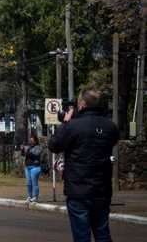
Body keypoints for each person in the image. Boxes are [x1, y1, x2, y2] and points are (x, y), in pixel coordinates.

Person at [49, 89, 119, 242]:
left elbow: (54, 145)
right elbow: (112, 141)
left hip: (79, 190)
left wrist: (66, 122)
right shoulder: (110, 127)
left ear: (81, 104)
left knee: (82, 237)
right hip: (102, 190)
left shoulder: (73, 126)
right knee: (103, 234)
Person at [20, 133, 42, 202]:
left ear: (35, 141)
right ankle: (29, 196)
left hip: (35, 167)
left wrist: (29, 152)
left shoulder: (38, 147)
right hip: (28, 167)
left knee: (34, 183)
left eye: (32, 141)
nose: (31, 142)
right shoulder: (29, 147)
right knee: (29, 183)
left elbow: (36, 155)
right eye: (30, 141)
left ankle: (35, 197)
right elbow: (23, 155)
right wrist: (22, 149)